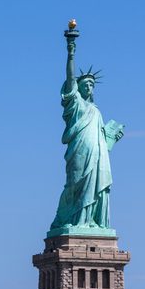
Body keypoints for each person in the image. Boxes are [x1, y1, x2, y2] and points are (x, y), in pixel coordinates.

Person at [50, 28, 124, 233]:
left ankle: (91, 220)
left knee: (97, 185)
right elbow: (70, 77)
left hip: (98, 153)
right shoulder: (75, 104)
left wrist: (112, 138)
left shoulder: (96, 111)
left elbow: (102, 139)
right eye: (86, 84)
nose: (89, 87)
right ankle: (76, 219)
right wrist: (70, 53)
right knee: (76, 184)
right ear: (78, 87)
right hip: (79, 150)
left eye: (92, 85)